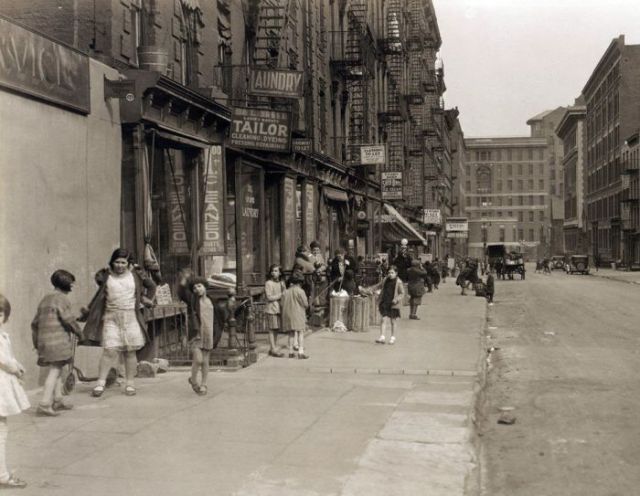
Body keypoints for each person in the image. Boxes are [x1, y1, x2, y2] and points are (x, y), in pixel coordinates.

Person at [82, 248, 156, 398]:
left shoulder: (136, 274)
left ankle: (130, 383)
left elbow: (151, 285)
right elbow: (99, 283)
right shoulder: (106, 276)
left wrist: (146, 299)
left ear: (129, 263)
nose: (120, 265)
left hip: (130, 316)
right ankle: (100, 383)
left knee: (130, 351)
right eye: (117, 262)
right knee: (109, 350)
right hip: (111, 317)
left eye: (123, 262)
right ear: (112, 262)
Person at [31, 270, 83, 416]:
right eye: (72, 283)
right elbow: (68, 319)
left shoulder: (45, 299)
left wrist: (36, 343)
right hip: (57, 341)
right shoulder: (62, 299)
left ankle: (58, 399)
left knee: (57, 369)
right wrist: (80, 333)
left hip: (44, 341)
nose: (73, 286)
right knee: (55, 371)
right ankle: (45, 403)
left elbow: (34, 323)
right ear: (66, 284)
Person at [0, 293, 29, 489]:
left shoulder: (3, 335)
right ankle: (2, 475)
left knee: (2, 427)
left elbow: (7, 356)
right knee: (1, 429)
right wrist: (13, 368)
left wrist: (17, 364)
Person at [178, 276, 219, 396]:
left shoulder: (212, 300)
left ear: (205, 286)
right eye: (195, 287)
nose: (197, 289)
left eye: (199, 286)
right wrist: (183, 280)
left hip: (209, 333)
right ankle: (193, 379)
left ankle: (204, 384)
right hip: (196, 334)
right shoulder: (192, 299)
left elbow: (218, 317)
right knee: (198, 359)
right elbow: (181, 292)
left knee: (205, 361)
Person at [373, 265, 404, 345]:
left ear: (396, 273)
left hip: (393, 304)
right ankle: (382, 337)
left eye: (392, 273)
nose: (390, 274)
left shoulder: (399, 282)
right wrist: (369, 289)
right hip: (385, 302)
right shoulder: (385, 279)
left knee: (393, 321)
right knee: (383, 319)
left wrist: (396, 299)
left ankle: (392, 337)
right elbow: (378, 286)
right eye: (389, 272)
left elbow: (402, 293)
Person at [281, 273, 309, 359]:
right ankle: (300, 352)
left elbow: (282, 303)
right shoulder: (301, 291)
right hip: (298, 314)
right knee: (300, 332)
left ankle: (290, 352)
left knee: (291, 334)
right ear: (300, 282)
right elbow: (305, 304)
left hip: (288, 315)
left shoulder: (286, 291)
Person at [264, 264, 286, 358]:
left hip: (279, 309)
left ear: (280, 273)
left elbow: (285, 294)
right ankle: (273, 348)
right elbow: (269, 297)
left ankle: (273, 347)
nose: (274, 273)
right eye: (273, 271)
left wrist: (283, 288)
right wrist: (280, 295)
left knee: (276, 329)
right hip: (272, 308)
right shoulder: (268, 283)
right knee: (272, 329)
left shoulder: (281, 283)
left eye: (276, 271)